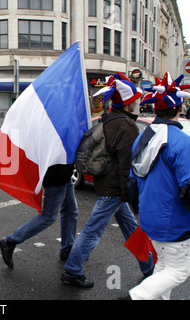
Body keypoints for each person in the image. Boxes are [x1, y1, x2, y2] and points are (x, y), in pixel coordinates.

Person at [60, 72, 154, 288]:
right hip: (114, 189)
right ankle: (72, 271)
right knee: (93, 230)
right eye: (134, 99)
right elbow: (125, 165)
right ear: (129, 102)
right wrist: (129, 193)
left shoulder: (109, 119)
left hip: (109, 184)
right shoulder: (126, 126)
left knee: (131, 227)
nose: (137, 102)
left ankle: (148, 266)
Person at [126, 73, 190, 300]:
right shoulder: (181, 141)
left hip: (149, 217)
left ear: (154, 110)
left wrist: (139, 210)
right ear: (179, 109)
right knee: (179, 270)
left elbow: (132, 181)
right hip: (174, 222)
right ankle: (137, 296)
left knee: (163, 266)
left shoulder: (143, 138)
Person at [0, 164, 78, 268]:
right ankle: (10, 240)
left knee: (70, 210)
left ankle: (67, 248)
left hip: (63, 174)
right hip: (57, 175)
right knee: (48, 217)